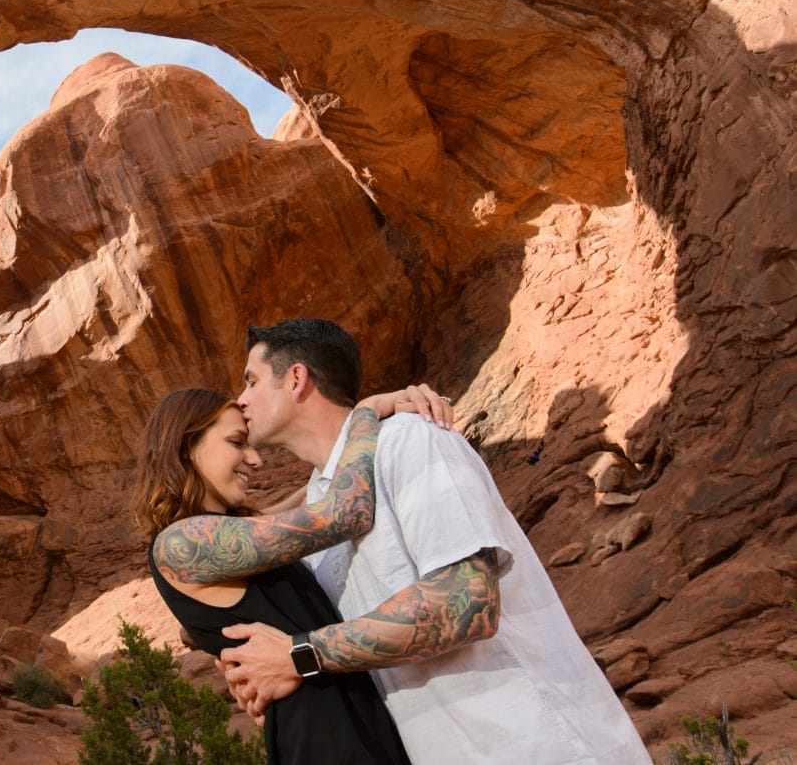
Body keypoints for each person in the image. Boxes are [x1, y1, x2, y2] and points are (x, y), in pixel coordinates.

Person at [168, 318, 649, 763]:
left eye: (251, 380)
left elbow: (466, 604)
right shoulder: (321, 498)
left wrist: (298, 655)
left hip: (534, 744)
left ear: (296, 379)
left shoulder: (409, 442)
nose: (243, 400)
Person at [136, 383, 447, 763]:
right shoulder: (183, 543)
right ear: (186, 446)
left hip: (346, 720)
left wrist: (331, 459)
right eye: (237, 442)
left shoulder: (227, 531)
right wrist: (365, 414)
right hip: (323, 737)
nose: (255, 459)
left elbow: (301, 505)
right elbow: (344, 513)